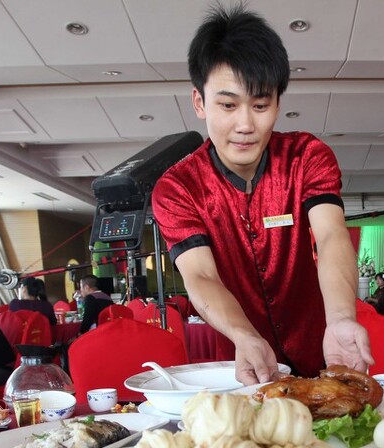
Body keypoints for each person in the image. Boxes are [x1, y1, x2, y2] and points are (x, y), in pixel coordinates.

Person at [152, 4, 371, 384]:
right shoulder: (177, 188)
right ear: (199, 103)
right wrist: (243, 334)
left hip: (321, 351)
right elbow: (200, 274)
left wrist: (340, 319)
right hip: (244, 365)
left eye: (260, 105)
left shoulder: (306, 157)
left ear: (277, 104)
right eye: (228, 105)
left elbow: (332, 234)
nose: (245, 125)